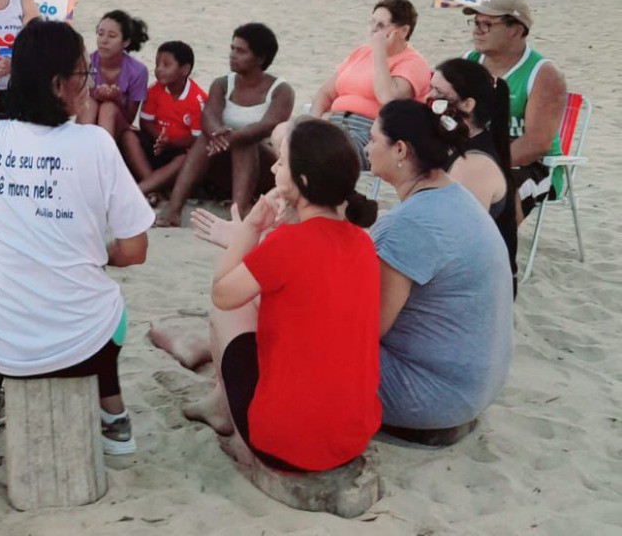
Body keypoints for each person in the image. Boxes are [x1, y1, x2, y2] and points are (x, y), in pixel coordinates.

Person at [0, 20, 153, 454]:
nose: (91, 83)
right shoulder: (96, 144)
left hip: (3, 344)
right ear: (58, 85)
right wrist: (97, 254)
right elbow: (135, 250)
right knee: (106, 305)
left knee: (2, 296)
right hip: (85, 348)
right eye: (85, 73)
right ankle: (113, 413)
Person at [163, 120, 380, 473]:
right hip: (352, 438)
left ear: (302, 181)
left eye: (282, 162)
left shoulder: (286, 243)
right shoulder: (362, 242)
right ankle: (223, 402)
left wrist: (249, 229)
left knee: (230, 312)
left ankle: (222, 407)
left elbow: (222, 293)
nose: (275, 168)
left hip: (286, 443)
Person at [366, 100, 513, 432]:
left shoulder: (407, 224)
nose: (366, 148)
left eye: (373, 139)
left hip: (433, 395)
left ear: (400, 149)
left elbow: (368, 328)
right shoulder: (456, 196)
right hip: (475, 386)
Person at [156, 24, 293, 226]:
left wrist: (232, 137)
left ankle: (239, 212)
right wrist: (216, 133)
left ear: (260, 58)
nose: (232, 55)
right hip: (224, 165)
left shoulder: (280, 90)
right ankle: (174, 209)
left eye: (241, 51)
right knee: (205, 138)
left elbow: (268, 125)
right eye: (232, 48)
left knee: (246, 140)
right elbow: (208, 115)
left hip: (265, 168)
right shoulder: (222, 84)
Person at [462, 0, 568, 217]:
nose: (477, 30)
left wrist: (481, 163)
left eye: (487, 24)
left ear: (516, 31)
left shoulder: (544, 75)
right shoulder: (469, 62)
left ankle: (492, 240)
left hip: (535, 166)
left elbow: (535, 144)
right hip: (479, 152)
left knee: (494, 191)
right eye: (476, 22)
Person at [310, 0, 430, 169]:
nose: (373, 29)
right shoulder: (361, 53)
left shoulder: (413, 63)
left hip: (371, 134)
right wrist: (314, 122)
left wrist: (380, 52)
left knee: (318, 153)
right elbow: (325, 93)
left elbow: (388, 99)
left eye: (381, 25)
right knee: (287, 135)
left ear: (403, 31)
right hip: (334, 124)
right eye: (372, 22)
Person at [429, 58, 518, 286]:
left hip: (478, 286)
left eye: (438, 92)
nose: (428, 97)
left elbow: (457, 239)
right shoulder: (456, 142)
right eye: (430, 88)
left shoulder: (474, 165)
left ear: (468, 105)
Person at [119, 40, 207, 199]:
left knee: (185, 159)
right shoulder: (154, 90)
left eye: (166, 65)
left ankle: (139, 191)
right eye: (157, 64)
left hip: (179, 151)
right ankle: (153, 187)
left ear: (185, 70)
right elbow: (145, 122)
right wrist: (159, 138)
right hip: (156, 145)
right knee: (127, 136)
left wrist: (170, 143)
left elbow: (197, 139)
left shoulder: (198, 99)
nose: (158, 69)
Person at [79, 9, 149, 139]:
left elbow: (129, 119)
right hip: (89, 121)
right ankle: (83, 147)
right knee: (90, 104)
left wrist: (116, 100)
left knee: (108, 108)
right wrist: (93, 95)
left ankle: (104, 150)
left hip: (117, 126)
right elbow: (73, 105)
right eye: (100, 34)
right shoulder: (85, 63)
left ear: (126, 42)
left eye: (111, 36)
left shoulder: (138, 71)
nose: (103, 40)